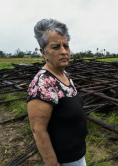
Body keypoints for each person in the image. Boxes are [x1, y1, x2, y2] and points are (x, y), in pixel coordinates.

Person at [27, 19, 88, 166]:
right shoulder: (43, 83)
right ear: (44, 52)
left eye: (66, 46)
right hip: (64, 160)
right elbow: (38, 131)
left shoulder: (64, 75)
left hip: (78, 155)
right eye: (56, 47)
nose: (63, 51)